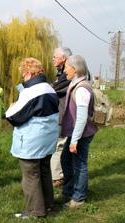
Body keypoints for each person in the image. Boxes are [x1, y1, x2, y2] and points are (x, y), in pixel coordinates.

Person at [5, 58, 59, 219]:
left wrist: (12, 106)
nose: (23, 78)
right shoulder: (49, 89)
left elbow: (13, 116)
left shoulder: (31, 92)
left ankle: (35, 211)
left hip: (32, 141)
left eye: (23, 74)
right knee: (44, 172)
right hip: (48, 138)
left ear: (29, 73)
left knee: (30, 175)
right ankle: (48, 205)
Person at [61, 55, 97, 208]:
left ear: (74, 69)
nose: (64, 71)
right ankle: (69, 191)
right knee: (65, 159)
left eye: (66, 67)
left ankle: (78, 198)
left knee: (79, 164)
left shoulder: (82, 89)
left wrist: (74, 140)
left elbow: (81, 118)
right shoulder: (76, 84)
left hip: (81, 133)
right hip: (76, 133)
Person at [51, 47, 72, 188]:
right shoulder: (62, 72)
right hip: (61, 113)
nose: (53, 59)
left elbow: (55, 89)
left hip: (64, 115)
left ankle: (57, 177)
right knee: (59, 145)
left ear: (63, 58)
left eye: (55, 57)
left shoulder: (67, 73)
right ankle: (59, 174)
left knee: (60, 145)